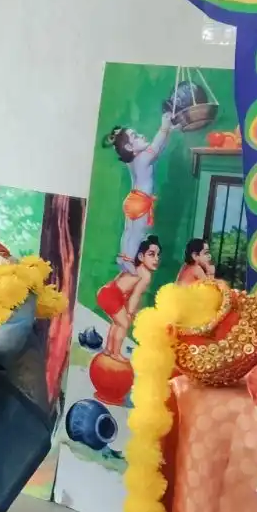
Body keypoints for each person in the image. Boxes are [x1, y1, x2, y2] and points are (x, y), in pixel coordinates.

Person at [105, 117, 173, 274]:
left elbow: (159, 147)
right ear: (130, 147)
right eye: (135, 136)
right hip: (141, 201)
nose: (142, 135)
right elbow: (156, 146)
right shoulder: (144, 158)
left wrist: (168, 129)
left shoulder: (132, 160)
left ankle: (122, 257)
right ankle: (129, 261)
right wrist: (164, 127)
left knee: (128, 231)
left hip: (131, 199)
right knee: (137, 234)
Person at [94, 235, 161, 356]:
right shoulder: (145, 275)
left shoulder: (134, 267)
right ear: (141, 256)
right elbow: (135, 295)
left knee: (117, 323)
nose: (156, 259)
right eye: (151, 254)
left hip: (106, 292)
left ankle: (109, 350)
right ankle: (116, 353)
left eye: (158, 255)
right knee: (124, 324)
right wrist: (130, 313)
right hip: (111, 296)